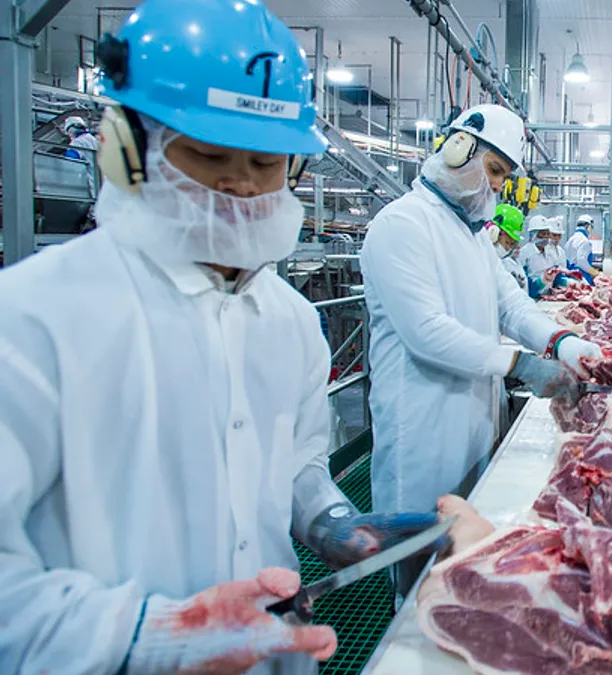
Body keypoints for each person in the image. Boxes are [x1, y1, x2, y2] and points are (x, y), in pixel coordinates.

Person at [0, 2, 440, 672]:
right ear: (126, 149)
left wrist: (325, 517)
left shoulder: (289, 319)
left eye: (266, 164)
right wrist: (149, 634)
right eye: (206, 155)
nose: (240, 185)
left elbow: (292, 458)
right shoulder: (32, 320)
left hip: (272, 652)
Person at [359, 104, 602, 589]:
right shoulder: (401, 224)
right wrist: (520, 365)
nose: (495, 185)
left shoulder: (471, 236)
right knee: (420, 568)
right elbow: (426, 331)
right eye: (493, 170)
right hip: (421, 425)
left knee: (465, 555)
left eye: (503, 177)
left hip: (473, 413)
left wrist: (564, 342)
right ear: (457, 149)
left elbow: (512, 305)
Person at [492, 203, 527, 292]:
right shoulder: (479, 258)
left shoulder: (502, 262)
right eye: (507, 242)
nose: (507, 248)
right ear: (494, 232)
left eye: (512, 245)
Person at [519, 213, 565, 278]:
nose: (546, 237)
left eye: (548, 233)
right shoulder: (525, 253)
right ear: (534, 235)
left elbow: (556, 273)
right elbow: (522, 278)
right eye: (543, 234)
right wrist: (539, 283)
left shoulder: (551, 252)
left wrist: (566, 282)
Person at [564, 214, 602, 282]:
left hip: (570, 276)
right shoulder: (585, 241)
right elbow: (581, 261)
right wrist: (595, 273)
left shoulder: (570, 240)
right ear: (588, 226)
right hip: (581, 277)